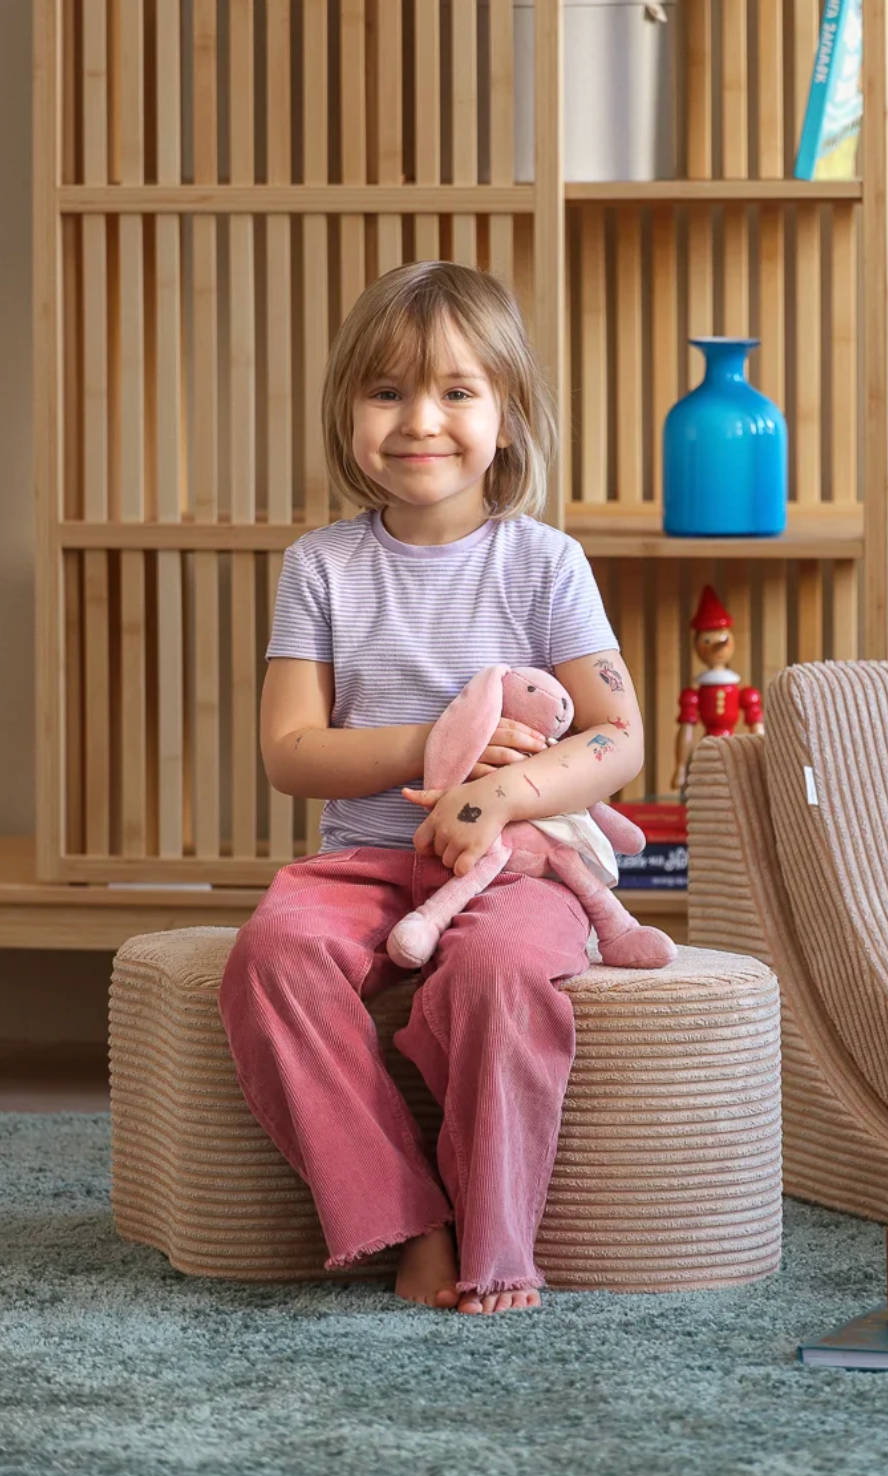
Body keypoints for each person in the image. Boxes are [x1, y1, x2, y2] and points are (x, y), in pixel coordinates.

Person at [218, 261, 645, 1316]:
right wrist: (442, 747)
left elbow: (619, 736)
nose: (421, 420)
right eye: (386, 390)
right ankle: (410, 1217)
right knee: (271, 955)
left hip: (511, 869)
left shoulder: (545, 563)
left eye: (457, 391)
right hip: (362, 860)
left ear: (507, 418)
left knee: (501, 973)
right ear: (347, 412)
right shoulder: (320, 566)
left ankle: (498, 1238)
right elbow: (290, 752)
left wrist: (500, 797)